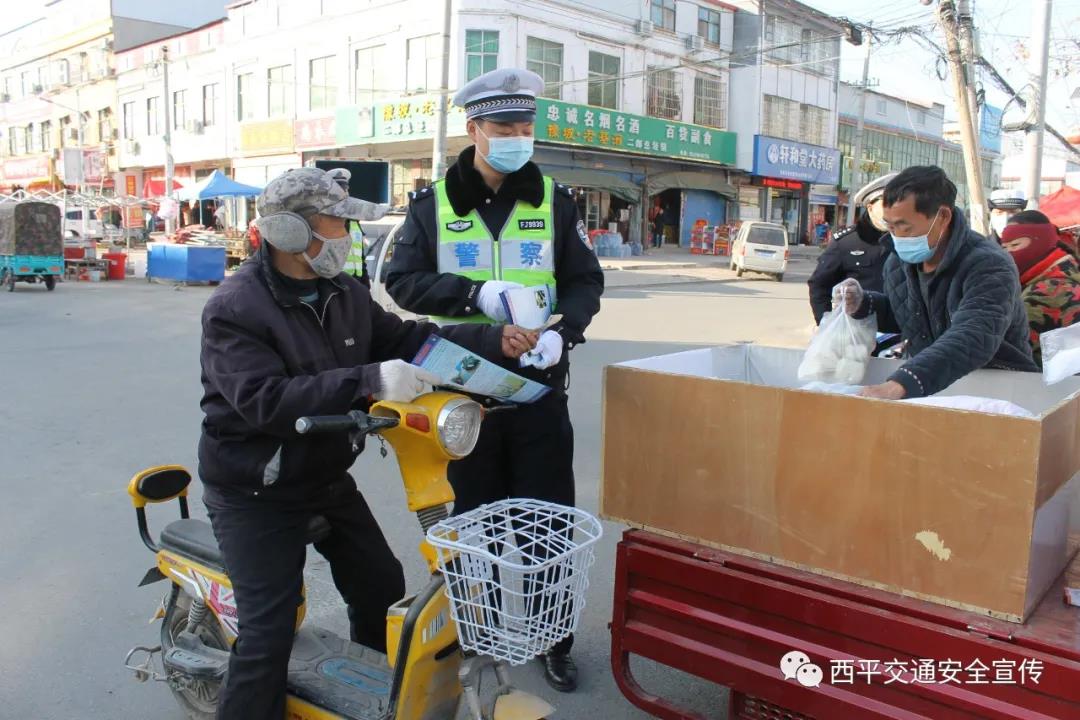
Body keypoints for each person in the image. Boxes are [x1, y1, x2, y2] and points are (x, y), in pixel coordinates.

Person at [198, 166, 537, 720]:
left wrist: (492, 339)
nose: (348, 237)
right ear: (288, 232)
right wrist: (369, 381)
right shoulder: (236, 307)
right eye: (338, 224)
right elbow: (264, 401)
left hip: (326, 476)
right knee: (269, 632)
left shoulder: (344, 290)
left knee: (381, 584)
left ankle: (375, 702)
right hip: (256, 487)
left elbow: (408, 338)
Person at [385, 67, 604, 693]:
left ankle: (552, 639)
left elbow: (586, 281)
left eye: (525, 125)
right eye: (504, 125)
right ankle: (473, 632)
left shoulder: (554, 201)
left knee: (548, 526)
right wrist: (476, 293)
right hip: (461, 399)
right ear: (474, 129)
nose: (517, 136)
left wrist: (567, 330)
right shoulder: (433, 205)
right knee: (471, 529)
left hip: (537, 393)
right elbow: (402, 283)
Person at [834, 165, 1037, 399]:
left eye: (904, 227)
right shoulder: (897, 262)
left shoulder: (990, 264)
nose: (896, 238)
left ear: (942, 216)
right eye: (890, 227)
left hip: (996, 390)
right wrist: (863, 304)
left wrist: (903, 382)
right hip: (934, 389)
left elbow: (974, 334)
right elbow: (911, 317)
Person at [807, 173, 897, 324]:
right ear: (870, 207)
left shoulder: (908, 238)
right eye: (885, 204)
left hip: (900, 331)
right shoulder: (846, 242)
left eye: (895, 204)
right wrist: (826, 324)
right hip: (857, 332)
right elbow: (819, 285)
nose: (891, 210)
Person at [998, 216, 1080, 367]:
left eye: (1015, 245)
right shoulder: (1062, 271)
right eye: (1004, 247)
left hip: (1051, 384)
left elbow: (996, 344)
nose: (1008, 253)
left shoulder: (1050, 290)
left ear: (1040, 242)